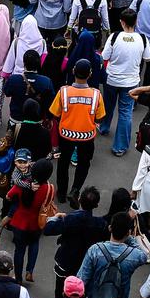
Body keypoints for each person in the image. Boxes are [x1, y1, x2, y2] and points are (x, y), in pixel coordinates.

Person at [77, 211, 150, 298]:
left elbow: (82, 279)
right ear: (128, 232)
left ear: (110, 228)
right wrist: (130, 238)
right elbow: (145, 255)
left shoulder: (95, 250)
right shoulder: (134, 255)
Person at [52, 59, 106, 207]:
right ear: (90, 74)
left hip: (66, 135)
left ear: (73, 71)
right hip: (87, 136)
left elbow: (55, 113)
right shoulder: (96, 95)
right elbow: (101, 116)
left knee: (63, 163)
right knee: (83, 163)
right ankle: (75, 190)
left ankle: (61, 193)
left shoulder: (63, 91)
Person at [44, 187, 108, 298]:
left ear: (79, 199)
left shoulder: (71, 219)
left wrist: (54, 218)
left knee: (60, 291)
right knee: (81, 292)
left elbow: (48, 230)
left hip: (65, 262)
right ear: (96, 205)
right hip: (85, 265)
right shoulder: (100, 224)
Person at [100, 9, 150, 155]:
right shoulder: (142, 38)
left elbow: (105, 56)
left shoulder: (114, 36)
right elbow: (148, 58)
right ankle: (120, 147)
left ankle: (104, 127)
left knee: (108, 105)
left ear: (122, 22)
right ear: (136, 22)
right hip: (131, 82)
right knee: (126, 113)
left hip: (112, 79)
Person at [3, 158, 55, 284]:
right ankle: (30, 271)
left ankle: (18, 278)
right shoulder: (50, 188)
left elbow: (8, 196)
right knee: (34, 244)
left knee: (19, 250)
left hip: (19, 222)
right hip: (36, 223)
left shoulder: (22, 185)